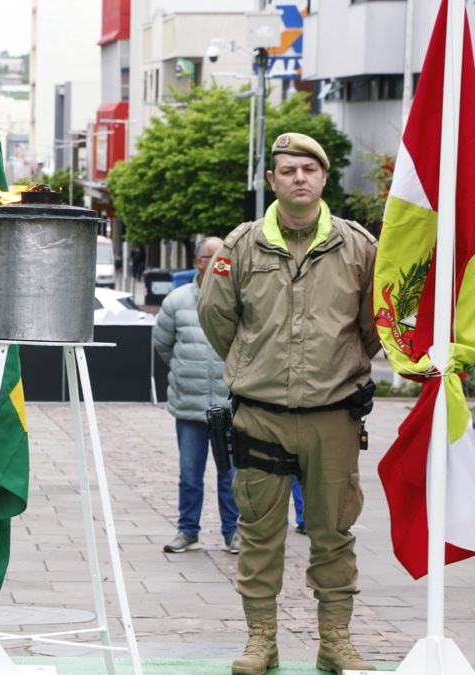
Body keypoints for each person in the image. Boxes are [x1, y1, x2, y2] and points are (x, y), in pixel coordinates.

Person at [198, 133, 379, 675]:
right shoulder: (241, 246)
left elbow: (374, 327)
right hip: (261, 415)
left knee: (334, 532)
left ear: (324, 178)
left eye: (309, 169)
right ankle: (261, 641)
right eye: (288, 170)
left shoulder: (358, 247)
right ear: (272, 180)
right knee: (258, 533)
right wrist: (258, 366)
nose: (299, 177)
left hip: (334, 417)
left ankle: (335, 641)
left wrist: (338, 366)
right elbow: (216, 318)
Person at [153, 236, 239, 555]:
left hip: (229, 404)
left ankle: (233, 531)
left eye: (224, 258)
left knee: (230, 474)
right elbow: (163, 345)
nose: (220, 263)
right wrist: (184, 371)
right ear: (199, 262)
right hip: (189, 407)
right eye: (213, 257)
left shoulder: (238, 300)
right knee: (190, 474)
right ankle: (188, 530)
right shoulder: (176, 301)